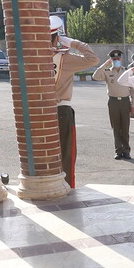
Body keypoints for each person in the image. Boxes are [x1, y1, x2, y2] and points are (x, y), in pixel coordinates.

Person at [50, 15, 101, 187]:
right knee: (66, 153)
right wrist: (71, 42)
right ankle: (66, 186)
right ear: (57, 37)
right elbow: (93, 58)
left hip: (40, 110)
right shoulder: (65, 58)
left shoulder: (33, 58)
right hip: (61, 111)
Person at [92, 49, 134, 160]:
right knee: (116, 127)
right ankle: (118, 150)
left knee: (125, 127)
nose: (116, 60)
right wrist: (104, 64)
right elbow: (95, 76)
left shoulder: (126, 71)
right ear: (111, 59)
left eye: (117, 58)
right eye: (113, 59)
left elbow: (132, 89)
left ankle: (126, 150)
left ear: (121, 59)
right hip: (113, 102)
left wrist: (133, 105)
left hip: (125, 101)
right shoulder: (107, 71)